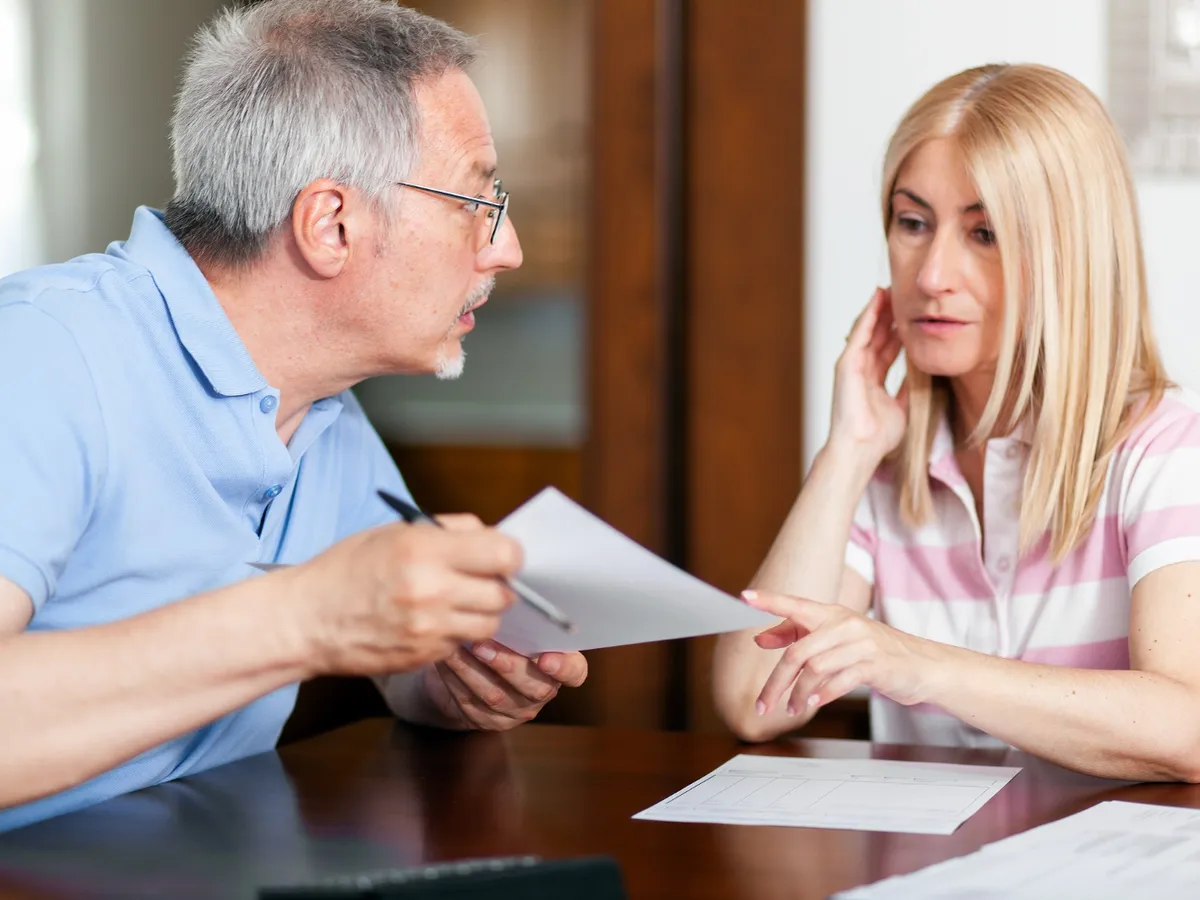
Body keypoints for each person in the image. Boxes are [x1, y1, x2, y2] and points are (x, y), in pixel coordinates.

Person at [0, 0, 587, 830]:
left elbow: (397, 662)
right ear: (331, 225)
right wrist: (306, 617)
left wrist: (450, 676)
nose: (507, 246)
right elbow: (320, 615)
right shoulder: (39, 351)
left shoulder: (325, 409)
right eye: (475, 203)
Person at [712, 63, 1200, 782]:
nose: (932, 273)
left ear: (1073, 258)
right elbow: (750, 700)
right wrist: (846, 451)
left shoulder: (1162, 449)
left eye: (986, 233)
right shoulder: (884, 465)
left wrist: (920, 665)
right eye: (913, 223)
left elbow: (1186, 728)